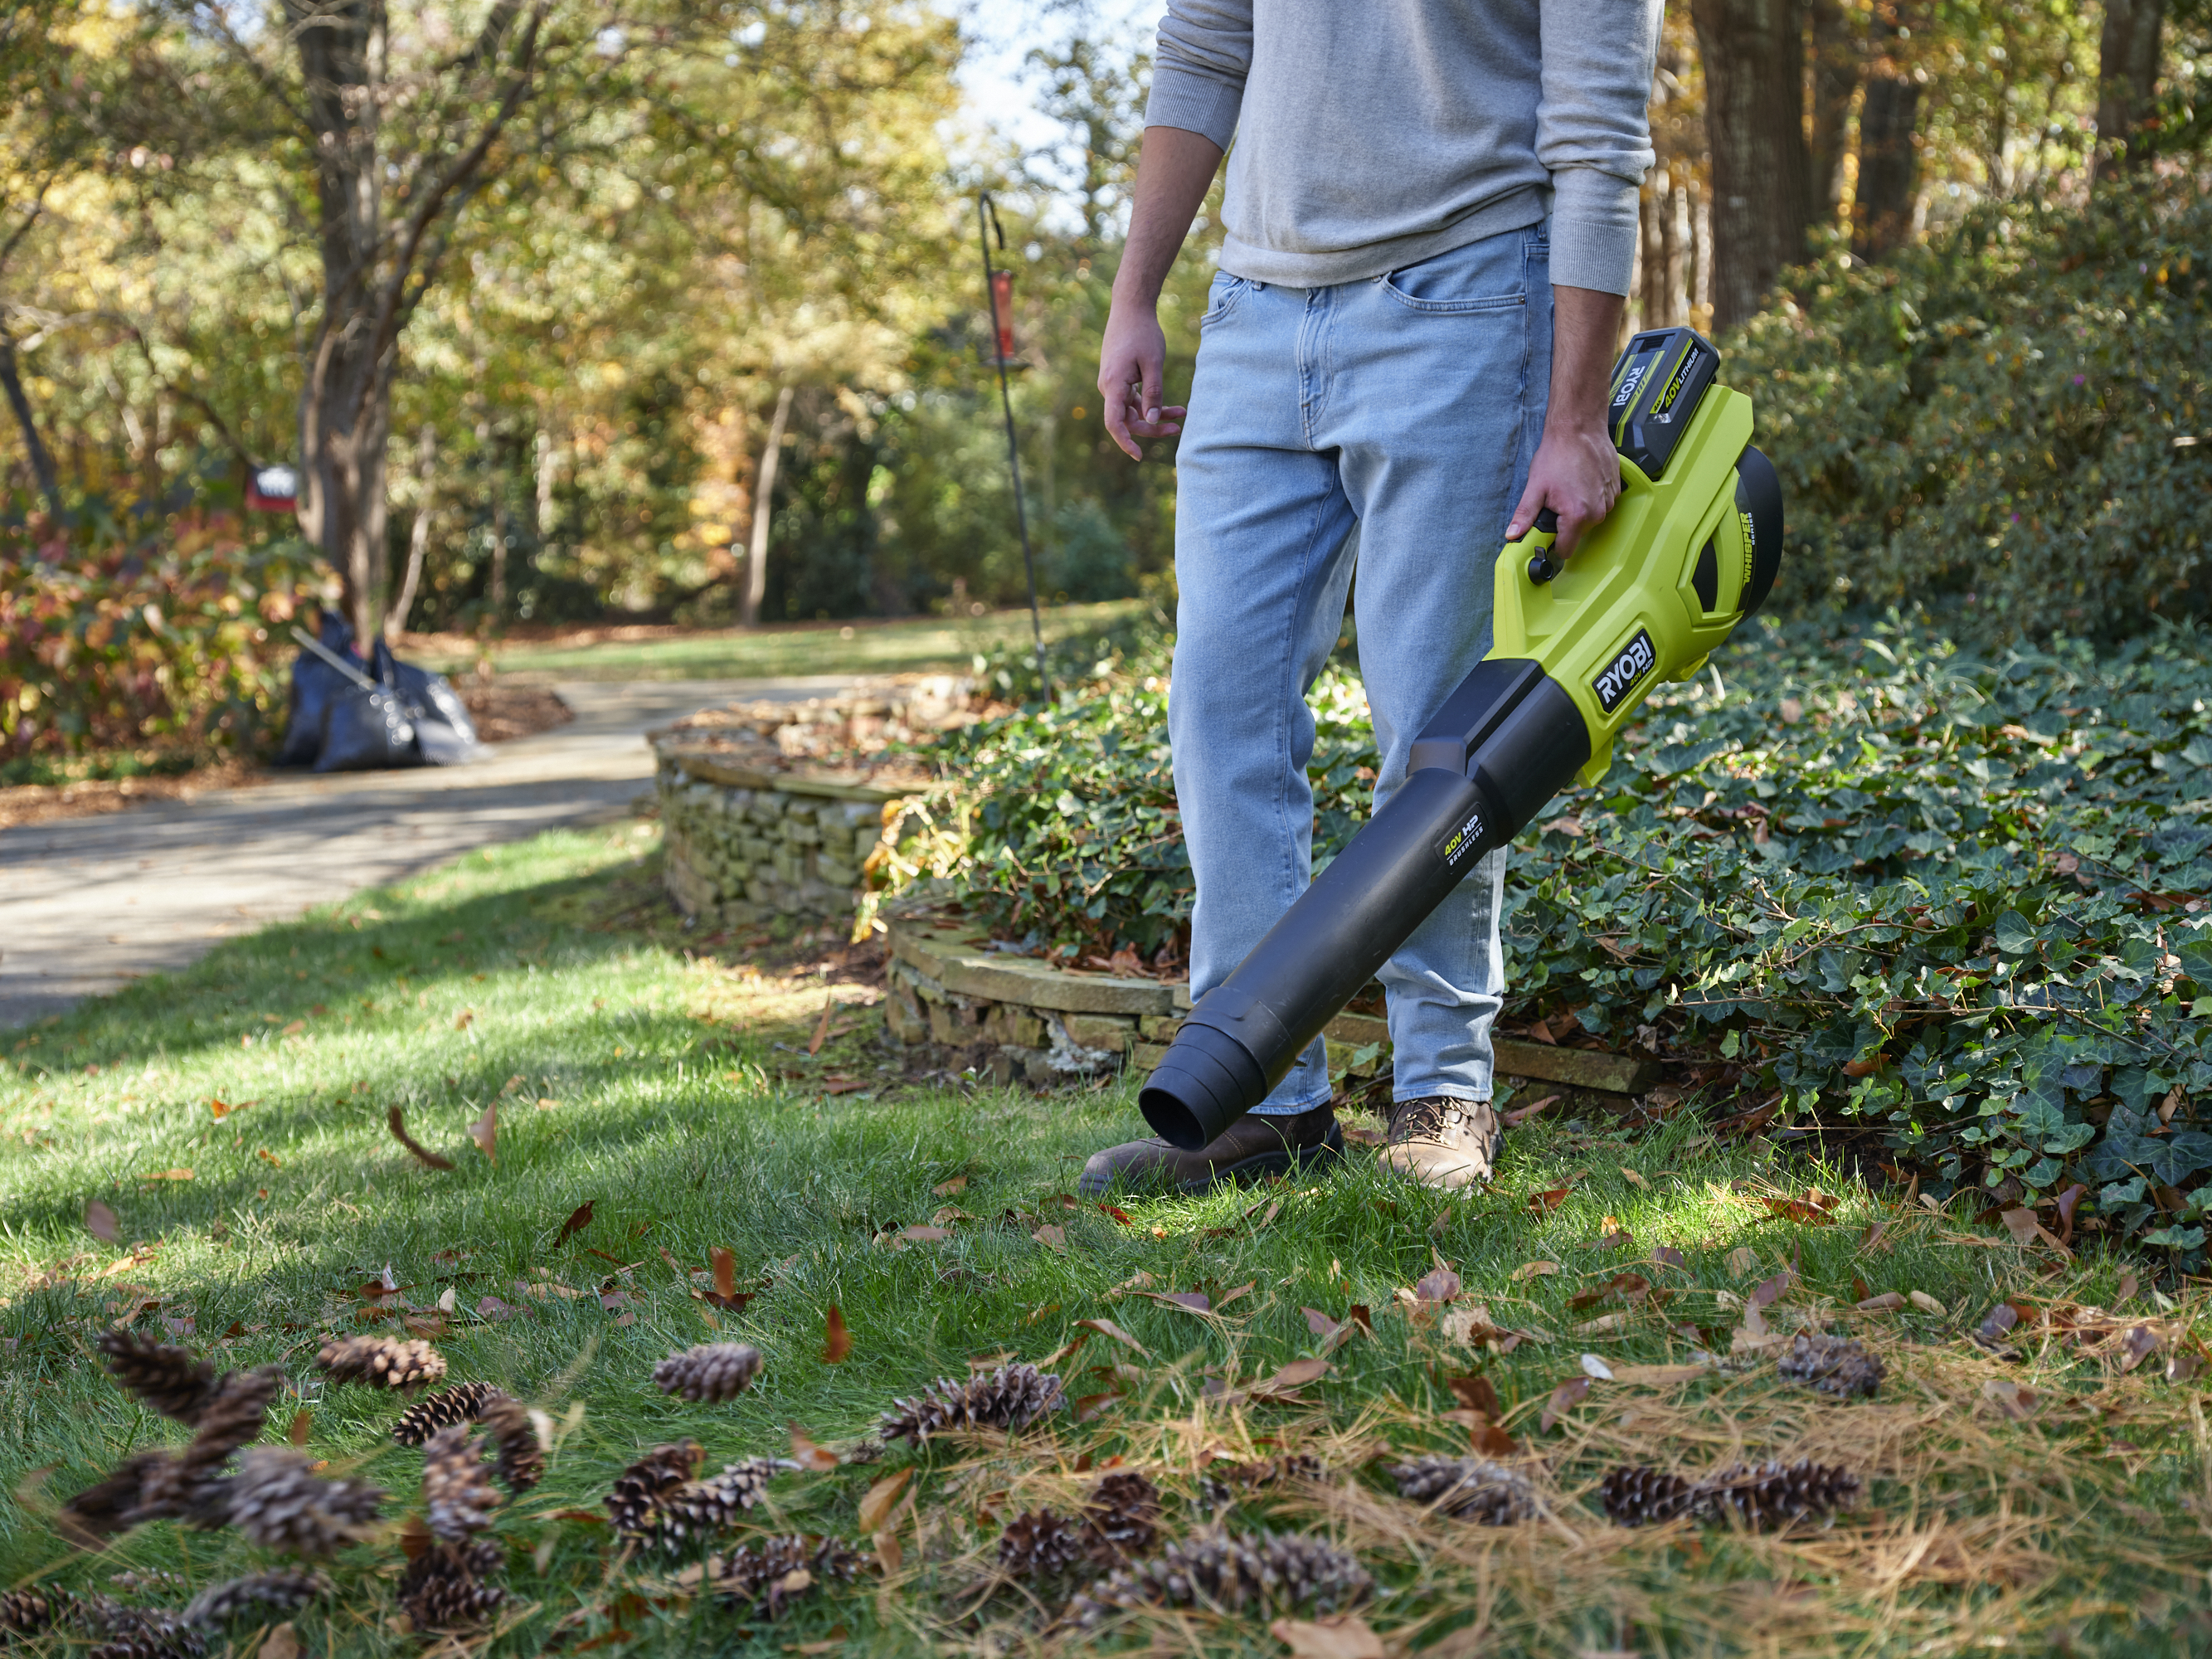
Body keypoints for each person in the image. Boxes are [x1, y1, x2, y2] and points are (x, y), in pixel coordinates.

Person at [1080, 0, 1662, 1195]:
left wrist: (1576, 415)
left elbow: (1600, 136)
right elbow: (1205, 44)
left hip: (1464, 298)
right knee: (1219, 712)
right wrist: (1136, 293)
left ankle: (1442, 1091)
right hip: (1251, 307)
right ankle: (1264, 1102)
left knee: (1437, 735)